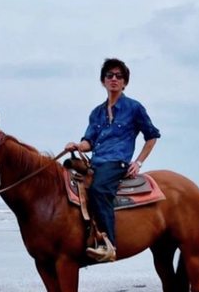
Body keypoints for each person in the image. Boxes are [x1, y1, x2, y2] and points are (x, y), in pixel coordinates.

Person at [65, 58, 161, 263]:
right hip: (96, 161)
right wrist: (77, 146)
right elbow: (89, 141)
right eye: (110, 76)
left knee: (99, 189)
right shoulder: (97, 112)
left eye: (119, 76)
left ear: (125, 82)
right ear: (103, 81)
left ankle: (109, 244)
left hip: (117, 162)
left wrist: (138, 162)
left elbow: (152, 136)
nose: (114, 79)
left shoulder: (134, 108)